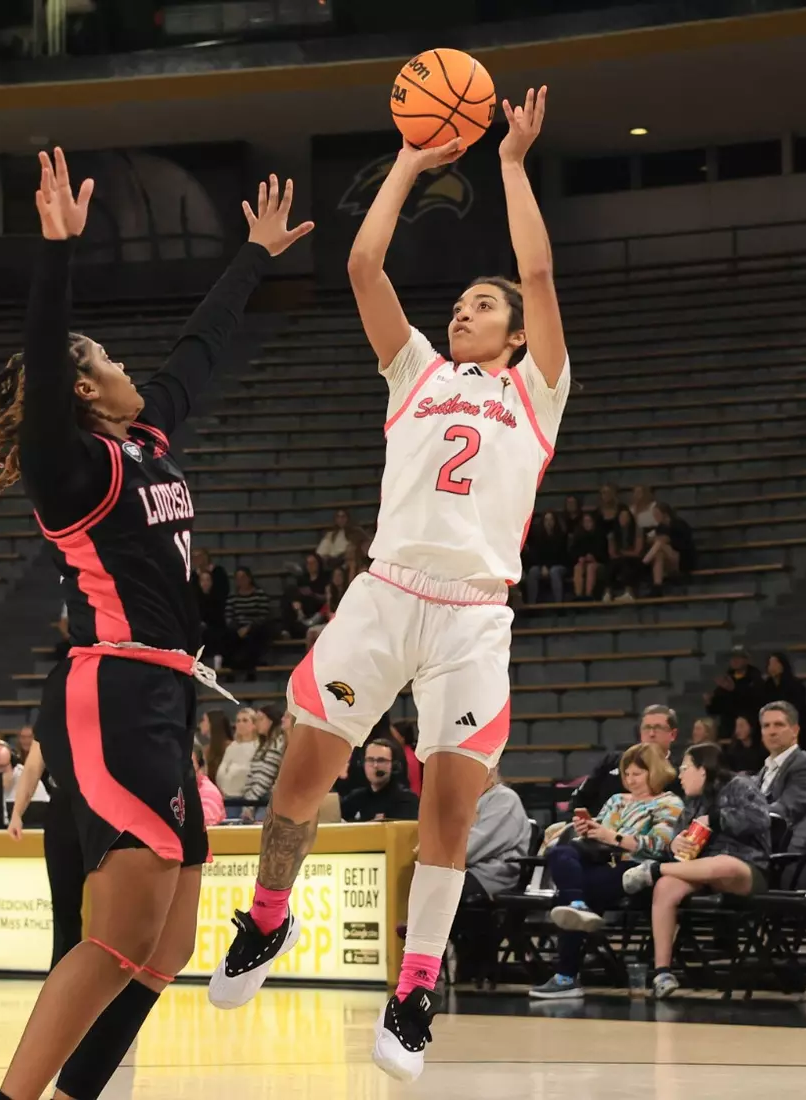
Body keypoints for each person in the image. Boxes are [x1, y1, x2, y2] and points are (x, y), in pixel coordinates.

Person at [211, 89, 569, 1082]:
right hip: (384, 592)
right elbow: (364, 265)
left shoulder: (536, 393)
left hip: (472, 616)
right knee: (296, 783)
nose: (464, 308)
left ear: (511, 334)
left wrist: (506, 161)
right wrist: (412, 158)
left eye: (482, 305)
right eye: (461, 301)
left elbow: (537, 269)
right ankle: (268, 917)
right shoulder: (412, 370)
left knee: (448, 812)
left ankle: (412, 991)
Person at [0, 150, 309, 1100]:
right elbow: (49, 341)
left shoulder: (144, 445)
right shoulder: (70, 472)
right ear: (80, 392)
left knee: (168, 945)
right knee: (114, 938)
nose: (122, 365)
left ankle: (71, 1094)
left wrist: (253, 256)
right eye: (105, 360)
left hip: (162, 691)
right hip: (107, 688)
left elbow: (199, 351)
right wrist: (57, 253)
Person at [530, 742, 684, 1000]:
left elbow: (659, 846)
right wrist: (588, 829)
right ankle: (577, 904)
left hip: (633, 868)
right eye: (626, 774)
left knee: (570, 897)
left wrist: (612, 836)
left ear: (654, 772)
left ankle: (566, 976)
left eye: (637, 774)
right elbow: (598, 834)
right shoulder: (615, 800)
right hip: (599, 859)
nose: (630, 780)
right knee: (560, 852)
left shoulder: (668, 803)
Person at [623, 743, 772, 999]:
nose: (679, 775)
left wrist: (714, 819)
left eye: (684, 768)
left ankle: (655, 870)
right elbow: (678, 843)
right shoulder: (691, 802)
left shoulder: (740, 786)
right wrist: (675, 843)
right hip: (699, 869)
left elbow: (760, 819)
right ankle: (662, 972)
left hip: (746, 869)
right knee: (666, 886)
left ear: (703, 770)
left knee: (725, 863)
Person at [757, 702, 806, 887]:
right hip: (765, 847)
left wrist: (744, 816)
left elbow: (785, 810)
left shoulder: (805, 766)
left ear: (795, 730)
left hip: (792, 856)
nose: (772, 731)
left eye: (779, 725)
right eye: (766, 726)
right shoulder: (764, 771)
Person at [571, 705, 682, 813]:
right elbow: (581, 798)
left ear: (673, 734)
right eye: (647, 728)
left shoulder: (678, 773)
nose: (651, 734)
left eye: (658, 728)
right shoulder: (611, 761)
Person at [463, 765, 530, 902]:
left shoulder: (504, 799)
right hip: (464, 869)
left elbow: (470, 849)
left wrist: (437, 854)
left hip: (489, 875)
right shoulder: (465, 799)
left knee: (435, 887)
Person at [340, 736, 420, 822]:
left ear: (393, 765)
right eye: (370, 760)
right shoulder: (355, 798)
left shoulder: (406, 800)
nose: (375, 765)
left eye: (381, 760)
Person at [220, 567, 278, 676]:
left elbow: (264, 615)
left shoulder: (259, 594)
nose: (240, 581)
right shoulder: (233, 596)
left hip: (255, 627)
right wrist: (238, 628)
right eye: (238, 578)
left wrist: (249, 627)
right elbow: (228, 616)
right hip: (238, 628)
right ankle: (230, 668)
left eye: (243, 577)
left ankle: (250, 667)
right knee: (227, 635)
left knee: (257, 634)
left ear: (249, 578)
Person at [703, 645, 768, 738]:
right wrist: (709, 703)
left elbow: (756, 703)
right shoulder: (727, 679)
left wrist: (734, 690)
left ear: (747, 660)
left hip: (751, 729)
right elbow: (716, 710)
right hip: (728, 728)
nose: (734, 660)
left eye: (738, 657)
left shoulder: (755, 679)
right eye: (732, 657)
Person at [641, 502, 694, 594]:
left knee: (660, 543)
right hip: (668, 560)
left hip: (682, 558)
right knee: (659, 554)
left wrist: (667, 540)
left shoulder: (679, 524)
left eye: (657, 514)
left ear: (665, 514)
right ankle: (657, 586)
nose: (655, 517)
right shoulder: (660, 528)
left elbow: (684, 545)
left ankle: (644, 563)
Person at [522, 510, 571, 606]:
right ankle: (532, 605)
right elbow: (536, 555)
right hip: (542, 566)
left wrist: (547, 566)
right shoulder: (538, 537)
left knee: (554, 571)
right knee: (533, 572)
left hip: (559, 565)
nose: (549, 522)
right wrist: (543, 566)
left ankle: (558, 605)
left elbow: (561, 556)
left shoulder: (561, 536)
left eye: (551, 519)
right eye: (546, 520)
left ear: (555, 521)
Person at [212, 708, 257, 798]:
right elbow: (222, 769)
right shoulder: (232, 746)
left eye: (245, 720)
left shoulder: (258, 746)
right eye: (238, 721)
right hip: (226, 795)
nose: (240, 724)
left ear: (254, 725)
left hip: (244, 796)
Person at [758, 651, 806, 724]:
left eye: (775, 663)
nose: (772, 667)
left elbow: (797, 707)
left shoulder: (796, 684)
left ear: (783, 665)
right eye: (770, 664)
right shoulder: (766, 685)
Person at [568, 510, 608, 600]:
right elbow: (574, 552)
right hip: (583, 563)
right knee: (577, 567)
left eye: (589, 521)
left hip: (599, 563)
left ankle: (588, 595)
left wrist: (594, 558)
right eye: (585, 522)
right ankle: (578, 596)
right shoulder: (579, 536)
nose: (587, 524)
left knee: (591, 567)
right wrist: (580, 558)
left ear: (594, 522)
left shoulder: (600, 535)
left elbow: (604, 554)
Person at [605, 508, 642, 601]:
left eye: (626, 516)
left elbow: (638, 551)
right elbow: (612, 553)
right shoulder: (612, 534)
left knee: (626, 562)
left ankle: (629, 592)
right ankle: (607, 592)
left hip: (634, 559)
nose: (623, 519)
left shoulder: (637, 531)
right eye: (621, 516)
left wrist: (624, 553)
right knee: (611, 564)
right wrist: (621, 554)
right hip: (619, 559)